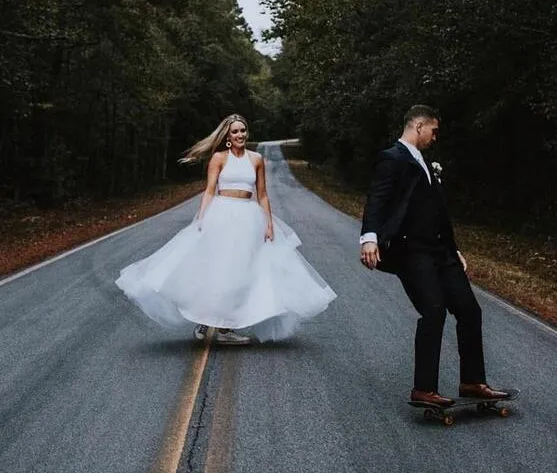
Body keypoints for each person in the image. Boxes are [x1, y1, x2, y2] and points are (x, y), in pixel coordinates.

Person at [116, 113, 336, 344]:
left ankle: (225, 328)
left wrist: (269, 223)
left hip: (249, 217)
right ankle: (206, 320)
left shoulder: (256, 159)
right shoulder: (219, 158)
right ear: (228, 136)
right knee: (215, 268)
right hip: (221, 214)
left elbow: (262, 195)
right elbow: (210, 190)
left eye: (243, 130)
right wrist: (201, 218)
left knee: (240, 271)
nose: (240, 134)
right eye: (235, 131)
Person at [360, 105, 509, 406]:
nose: (435, 137)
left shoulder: (425, 162)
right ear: (418, 126)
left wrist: (454, 249)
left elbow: (438, 212)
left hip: (441, 250)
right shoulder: (392, 158)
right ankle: (423, 389)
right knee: (434, 310)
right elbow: (377, 198)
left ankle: (472, 381)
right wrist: (369, 238)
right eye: (434, 130)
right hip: (411, 250)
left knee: (469, 310)